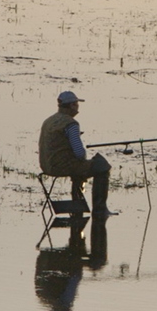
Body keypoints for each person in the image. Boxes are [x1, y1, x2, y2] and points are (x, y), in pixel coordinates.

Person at [39, 90, 116, 218]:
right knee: (102, 166)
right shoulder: (71, 124)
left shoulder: (49, 121)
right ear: (71, 106)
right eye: (76, 104)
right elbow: (79, 153)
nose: (78, 107)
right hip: (62, 166)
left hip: (47, 166)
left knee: (80, 166)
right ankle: (100, 210)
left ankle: (78, 204)